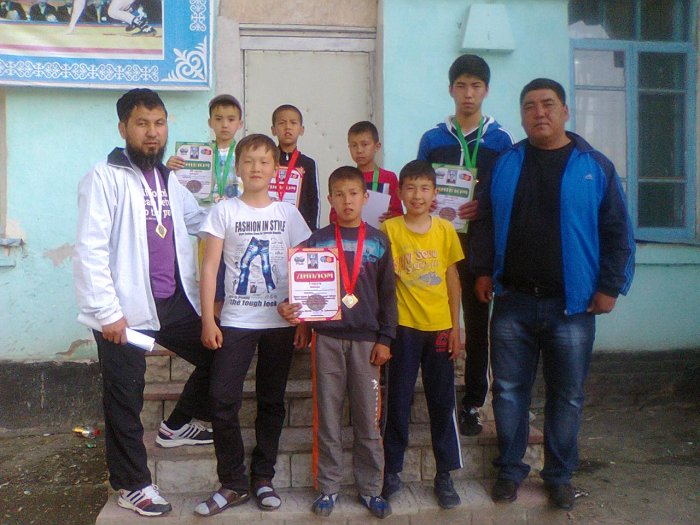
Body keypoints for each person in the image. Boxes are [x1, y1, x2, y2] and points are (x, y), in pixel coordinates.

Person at [471, 78, 635, 510]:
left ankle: (559, 476)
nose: (539, 113)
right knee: (508, 391)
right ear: (522, 115)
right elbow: (484, 220)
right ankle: (510, 470)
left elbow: (617, 232)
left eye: (547, 104)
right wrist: (483, 270)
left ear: (565, 111)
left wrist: (609, 286)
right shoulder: (505, 163)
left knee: (567, 395)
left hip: (573, 305)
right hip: (513, 300)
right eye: (529, 106)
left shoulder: (594, 166)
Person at [73, 88, 214, 517]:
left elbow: (199, 222)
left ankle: (177, 425)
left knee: (219, 352)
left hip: (171, 300)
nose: (153, 133)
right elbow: (90, 248)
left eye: (159, 123)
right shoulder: (104, 177)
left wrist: (243, 209)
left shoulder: (170, 179)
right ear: (123, 128)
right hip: (124, 308)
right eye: (142, 124)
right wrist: (106, 312)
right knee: (125, 396)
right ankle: (131, 483)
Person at [195, 134, 311, 517]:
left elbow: (303, 266)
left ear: (275, 168)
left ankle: (263, 477)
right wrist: (208, 318)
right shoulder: (224, 211)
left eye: (264, 161)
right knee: (221, 399)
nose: (256, 168)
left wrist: (303, 318)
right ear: (238, 167)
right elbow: (209, 267)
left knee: (271, 400)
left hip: (279, 324)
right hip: (236, 321)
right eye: (249, 161)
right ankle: (232, 482)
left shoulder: (288, 214)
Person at [278, 166, 398, 519]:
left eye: (354, 193)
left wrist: (386, 338)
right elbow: (301, 284)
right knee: (327, 418)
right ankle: (328, 488)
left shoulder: (378, 241)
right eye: (340, 194)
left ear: (365, 197)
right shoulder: (317, 241)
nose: (347, 201)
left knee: (368, 419)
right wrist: (294, 312)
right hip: (327, 339)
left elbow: (388, 295)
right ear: (330, 199)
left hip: (367, 343)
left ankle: (371, 489)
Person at [417, 54, 514, 436]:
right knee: (435, 322)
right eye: (461, 86)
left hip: (479, 250)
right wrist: (428, 201)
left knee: (475, 328)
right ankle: (436, 396)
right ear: (451, 90)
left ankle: (473, 403)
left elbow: (506, 191)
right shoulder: (433, 138)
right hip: (438, 245)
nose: (468, 93)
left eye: (476, 86)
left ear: (486, 90)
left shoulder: (500, 140)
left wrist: (482, 204)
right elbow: (419, 184)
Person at [381, 160, 465, 509]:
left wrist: (456, 326)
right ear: (400, 192)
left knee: (442, 403)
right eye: (411, 188)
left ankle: (445, 474)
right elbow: (383, 283)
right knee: (397, 401)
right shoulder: (389, 230)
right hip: (403, 329)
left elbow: (452, 278)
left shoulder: (445, 229)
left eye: (424, 188)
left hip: (440, 329)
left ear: (434, 193)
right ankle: (391, 471)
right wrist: (383, 332)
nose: (417, 195)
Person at [329, 121, 403, 224]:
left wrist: (391, 217)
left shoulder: (389, 177)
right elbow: (334, 215)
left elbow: (399, 213)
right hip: (349, 232)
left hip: (380, 232)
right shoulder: (344, 178)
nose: (359, 150)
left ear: (377, 146)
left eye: (364, 144)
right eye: (354, 145)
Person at [270, 104, 320, 231]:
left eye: (293, 123)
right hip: (270, 225)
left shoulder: (308, 163)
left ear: (301, 130)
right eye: (282, 123)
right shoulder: (266, 160)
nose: (288, 127)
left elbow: (313, 200)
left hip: (298, 228)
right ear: (273, 130)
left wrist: (312, 231)